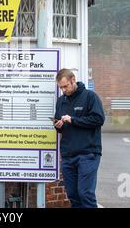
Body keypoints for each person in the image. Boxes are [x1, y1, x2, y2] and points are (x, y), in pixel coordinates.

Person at [53, 68, 105, 208]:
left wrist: (73, 120)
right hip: (68, 155)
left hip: (88, 154)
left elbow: (98, 119)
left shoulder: (90, 97)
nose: (64, 90)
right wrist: (58, 125)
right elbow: (61, 127)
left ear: (73, 80)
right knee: (73, 195)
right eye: (61, 87)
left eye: (66, 86)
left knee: (85, 194)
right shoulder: (60, 101)